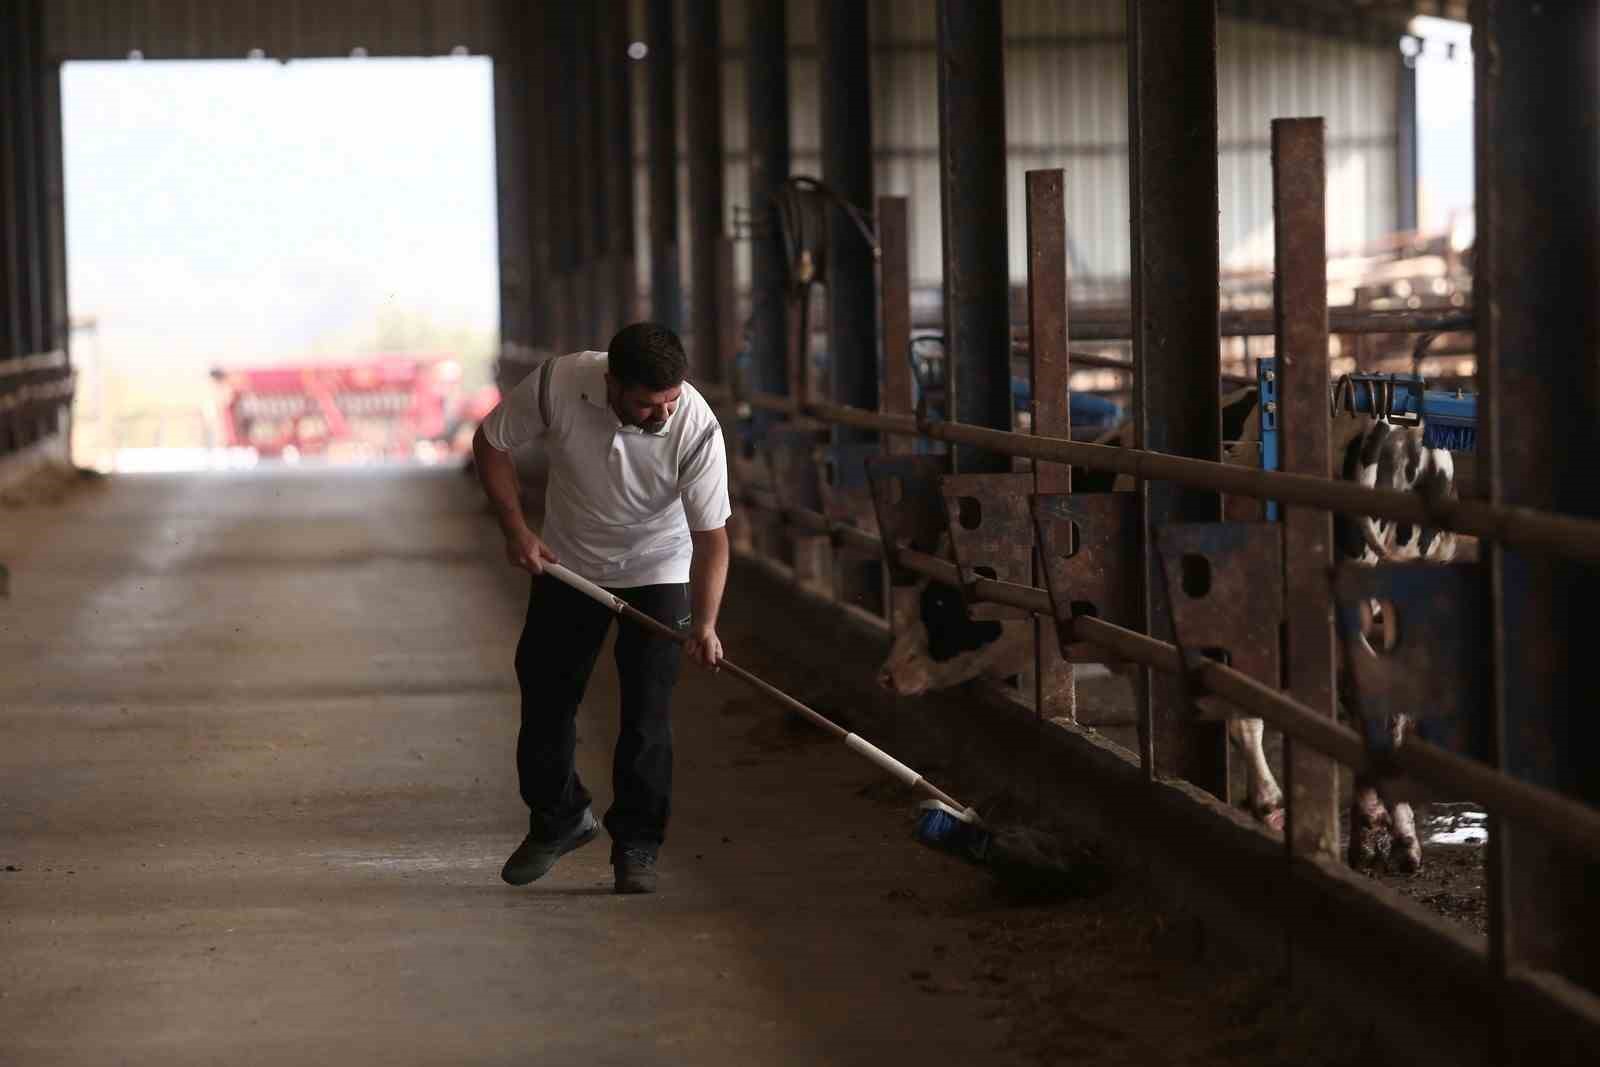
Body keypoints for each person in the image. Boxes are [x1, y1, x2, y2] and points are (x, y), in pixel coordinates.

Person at [471, 322, 730, 894]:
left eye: (670, 401)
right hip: (570, 563)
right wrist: (516, 529)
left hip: (658, 566)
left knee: (647, 711)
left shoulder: (695, 426)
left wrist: (706, 623)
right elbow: (490, 443)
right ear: (611, 382)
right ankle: (559, 817)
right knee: (544, 693)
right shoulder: (558, 383)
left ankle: (638, 843)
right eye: (646, 404)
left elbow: (713, 538)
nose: (661, 415)